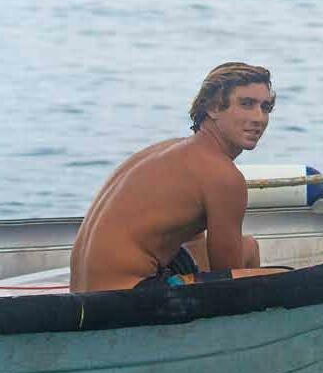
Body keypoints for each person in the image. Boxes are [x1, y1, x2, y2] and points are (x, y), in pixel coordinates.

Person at [70, 62, 286, 292]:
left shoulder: (173, 151)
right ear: (212, 108)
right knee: (279, 277)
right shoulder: (224, 176)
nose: (259, 118)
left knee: (248, 247)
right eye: (246, 104)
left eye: (265, 108)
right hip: (124, 297)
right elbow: (227, 279)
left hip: (84, 292)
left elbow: (194, 241)